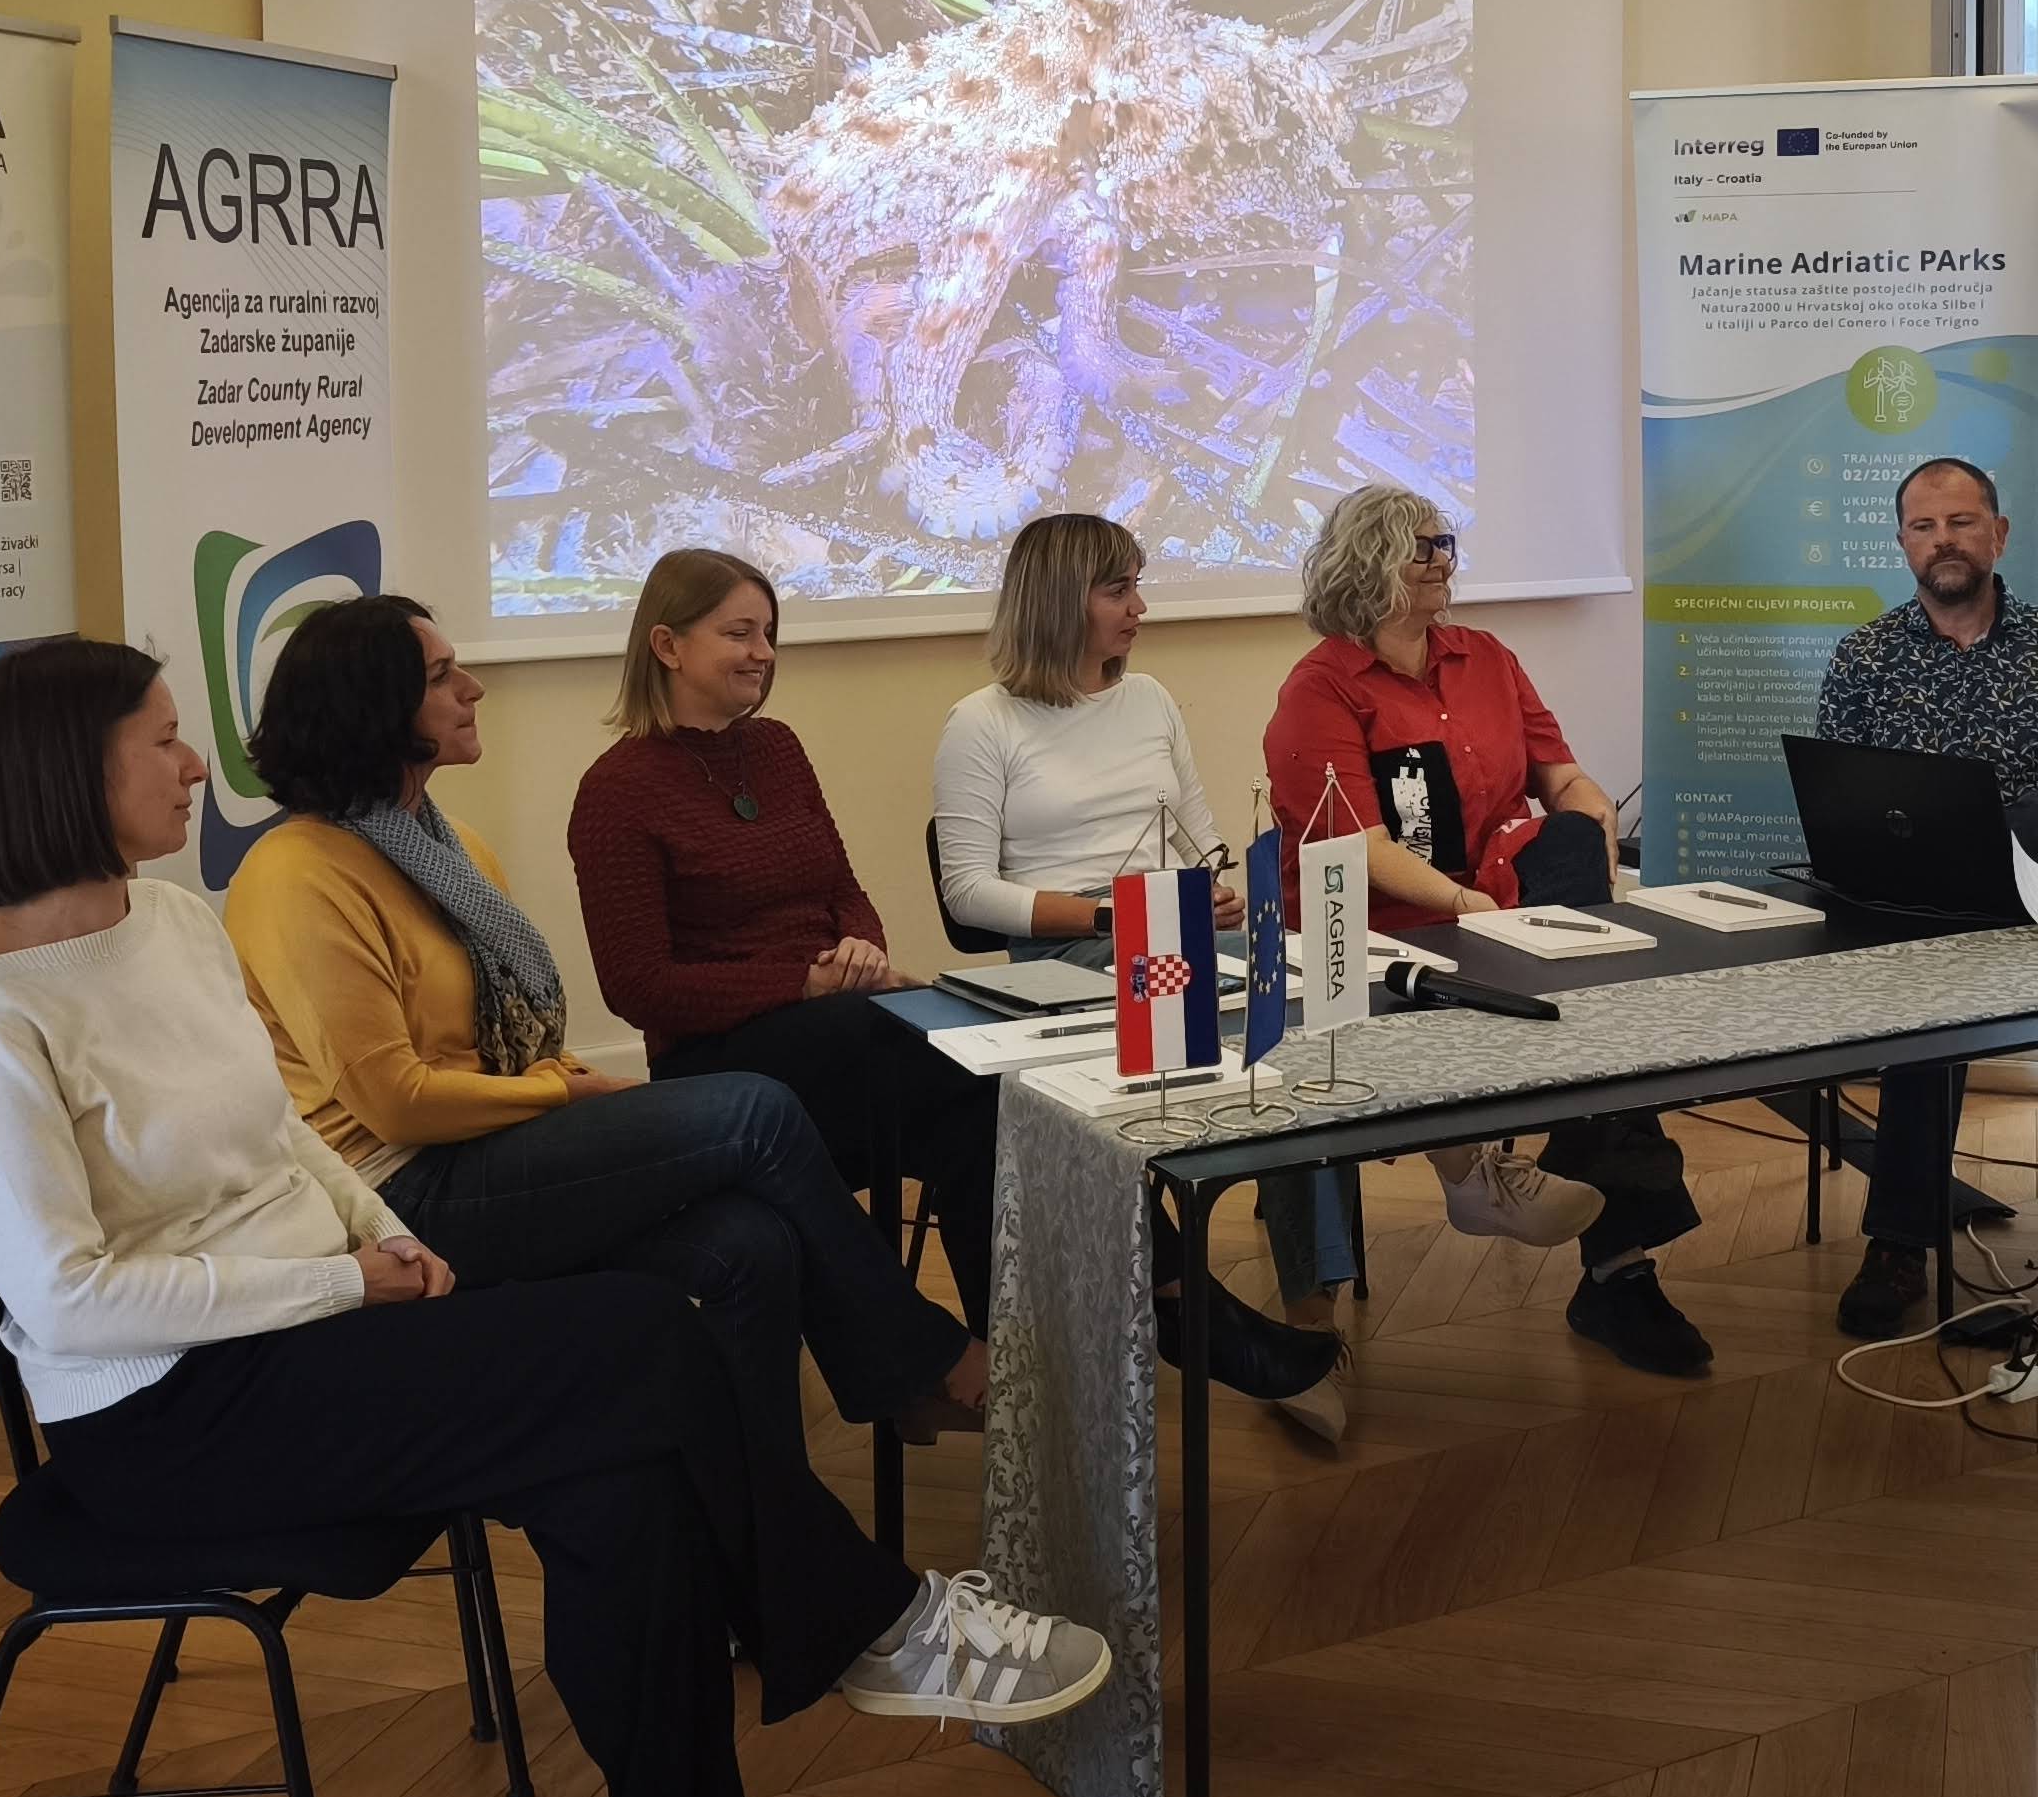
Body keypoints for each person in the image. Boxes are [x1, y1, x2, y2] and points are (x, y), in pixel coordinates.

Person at [0, 638, 1105, 1797]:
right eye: (162, 741)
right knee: (645, 1336)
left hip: (313, 1329)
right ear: (68, 772)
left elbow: (278, 1131)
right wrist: (343, 1280)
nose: (192, 766)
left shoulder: (168, 921)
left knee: (625, 1485)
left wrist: (380, 1233)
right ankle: (868, 1623)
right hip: (170, 1414)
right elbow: (70, 1303)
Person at [226, 592, 993, 1530]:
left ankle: (764, 1541)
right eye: (442, 677)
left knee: (751, 1243)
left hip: (494, 1147)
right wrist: (569, 1093)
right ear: (370, 706)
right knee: (756, 1110)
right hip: (403, 1191)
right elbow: (397, 1104)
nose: (474, 690)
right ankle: (920, 1363)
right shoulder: (296, 872)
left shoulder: (451, 848)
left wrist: (575, 1089)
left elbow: (519, 1043)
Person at [567, 547, 1333, 1405]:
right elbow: (638, 987)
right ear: (667, 645)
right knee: (976, 1068)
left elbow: (844, 891)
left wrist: (860, 951)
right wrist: (806, 984)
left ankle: (1019, 1375)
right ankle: (1177, 1301)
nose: (763, 653)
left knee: (998, 1109)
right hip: (724, 1065)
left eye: (769, 634)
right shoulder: (618, 790)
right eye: (738, 634)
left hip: (836, 1032)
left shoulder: (774, 749)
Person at [931, 511, 1379, 1440]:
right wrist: (1114, 916)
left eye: (1138, 585)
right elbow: (969, 892)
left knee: (1307, 1019)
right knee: (1258, 1033)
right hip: (1070, 953)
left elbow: (1198, 834)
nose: (1140, 607)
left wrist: (1216, 886)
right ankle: (1252, 1330)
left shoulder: (1151, 700)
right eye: (1118, 590)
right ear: (1060, 601)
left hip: (1172, 928)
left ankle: (1310, 1316)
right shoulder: (982, 723)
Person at [1262, 484, 1708, 1378]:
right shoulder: (1321, 689)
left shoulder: (1486, 657)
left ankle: (1598, 1233)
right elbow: (1358, 848)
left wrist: (1591, 818)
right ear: (1367, 563)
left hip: (1504, 908)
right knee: (1595, 1025)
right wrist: (1468, 908)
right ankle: (1605, 1258)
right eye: (1421, 547)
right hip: (1380, 934)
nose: (1444, 561)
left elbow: (1560, 776)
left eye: (1446, 543)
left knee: (1588, 945)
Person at [1808, 457, 2038, 1339]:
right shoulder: (1866, 655)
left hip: (2034, 902)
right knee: (1935, 992)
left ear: (1999, 533)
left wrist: (2005, 832)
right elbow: (1836, 808)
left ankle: (1897, 1241)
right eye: (1924, 526)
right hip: (1906, 910)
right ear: (1902, 543)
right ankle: (1899, 1243)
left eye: (1960, 522)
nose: (1942, 541)